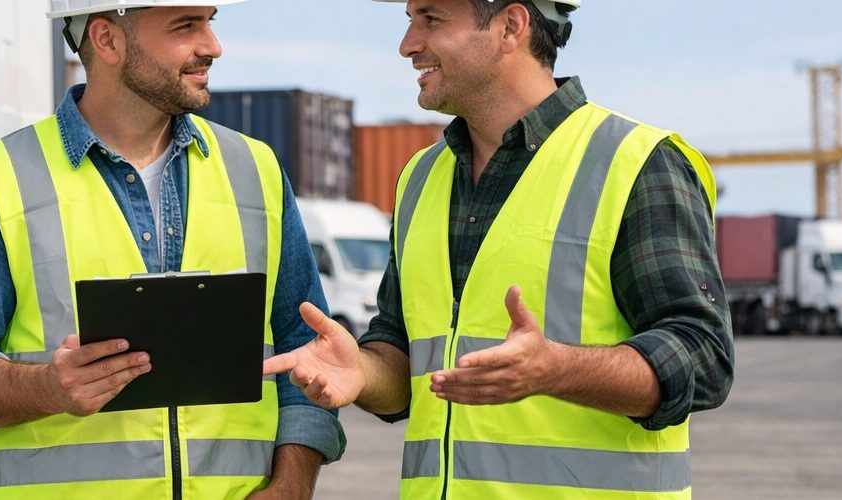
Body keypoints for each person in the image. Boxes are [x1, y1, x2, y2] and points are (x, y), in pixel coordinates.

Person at [265, 0, 734, 498]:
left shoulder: (636, 165)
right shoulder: (421, 179)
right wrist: (363, 370)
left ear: (510, 26)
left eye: (431, 19)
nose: (408, 45)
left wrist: (557, 370)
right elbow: (403, 362)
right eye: (410, 21)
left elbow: (703, 358)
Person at [0, 1, 344, 498]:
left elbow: (306, 353)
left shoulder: (256, 170)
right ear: (107, 39)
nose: (212, 47)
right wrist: (45, 388)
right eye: (185, 26)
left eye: (210, 22)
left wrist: (292, 482)